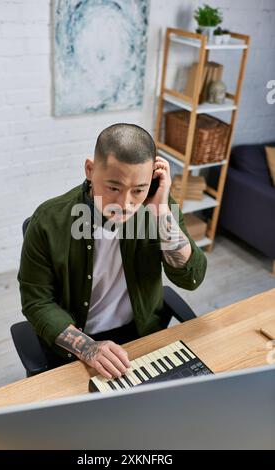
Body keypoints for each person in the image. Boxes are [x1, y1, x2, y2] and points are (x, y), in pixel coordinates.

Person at [18, 123, 207, 379]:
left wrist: (161, 212)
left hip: (142, 336)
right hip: (75, 344)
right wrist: (88, 349)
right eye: (114, 188)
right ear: (90, 170)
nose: (125, 204)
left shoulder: (157, 209)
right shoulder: (49, 220)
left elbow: (191, 277)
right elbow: (36, 302)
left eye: (138, 190)